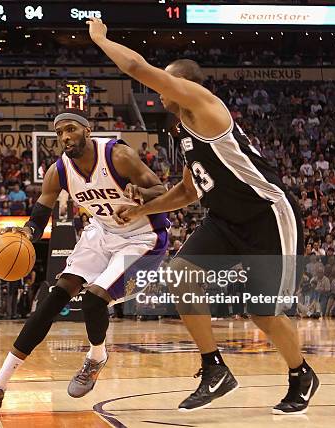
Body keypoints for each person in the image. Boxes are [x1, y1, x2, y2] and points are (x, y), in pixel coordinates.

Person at [86, 17, 317, 415]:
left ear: (187, 85)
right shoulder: (184, 132)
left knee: (263, 312)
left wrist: (101, 37)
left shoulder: (204, 106)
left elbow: (138, 68)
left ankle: (300, 373)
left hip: (266, 214)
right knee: (181, 275)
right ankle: (215, 369)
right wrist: (141, 209)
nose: (160, 90)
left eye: (167, 82)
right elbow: (190, 191)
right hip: (224, 220)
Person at [0, 112, 169, 411]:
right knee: (52, 298)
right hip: (102, 231)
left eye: (70, 129)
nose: (65, 137)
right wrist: (26, 233)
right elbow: (39, 216)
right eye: (59, 133)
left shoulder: (118, 155)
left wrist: (142, 193)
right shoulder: (58, 171)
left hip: (142, 237)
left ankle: (96, 357)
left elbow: (162, 190)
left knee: (94, 300)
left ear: (87, 130)